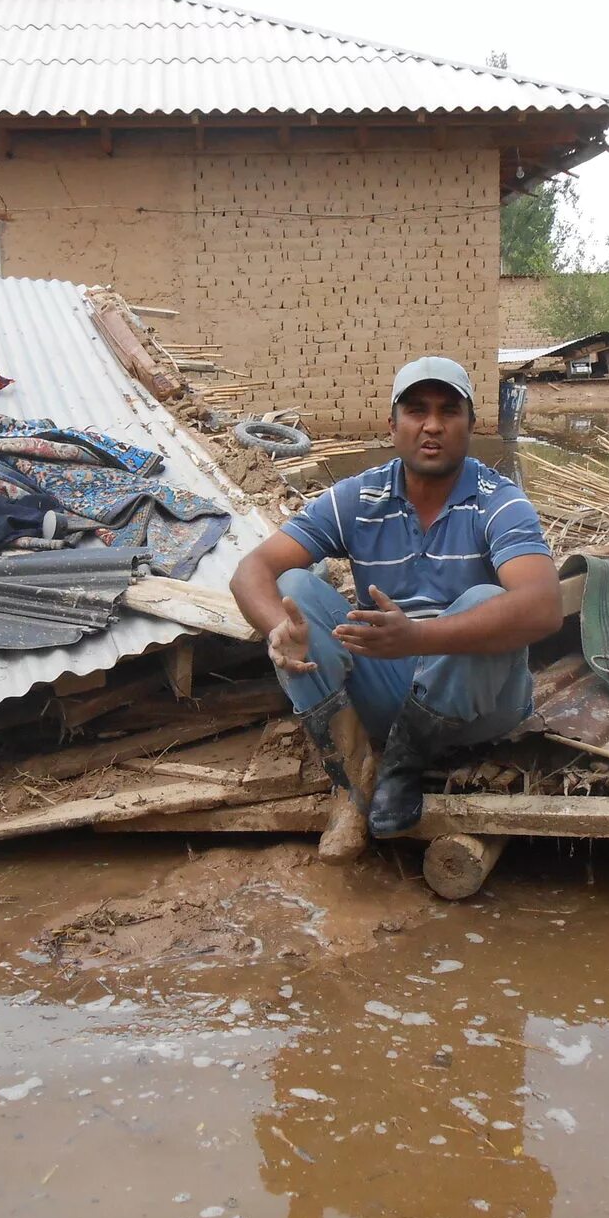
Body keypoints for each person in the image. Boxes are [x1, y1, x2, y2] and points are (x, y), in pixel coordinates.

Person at [229, 357, 562, 862]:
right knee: (295, 587)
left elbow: (542, 608)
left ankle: (402, 765)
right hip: (386, 689)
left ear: (471, 426)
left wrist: (422, 638)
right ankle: (350, 777)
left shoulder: (498, 500)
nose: (432, 425)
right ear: (393, 426)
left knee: (487, 602)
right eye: (416, 411)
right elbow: (250, 569)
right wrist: (279, 628)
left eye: (449, 411)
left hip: (481, 702)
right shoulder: (359, 498)